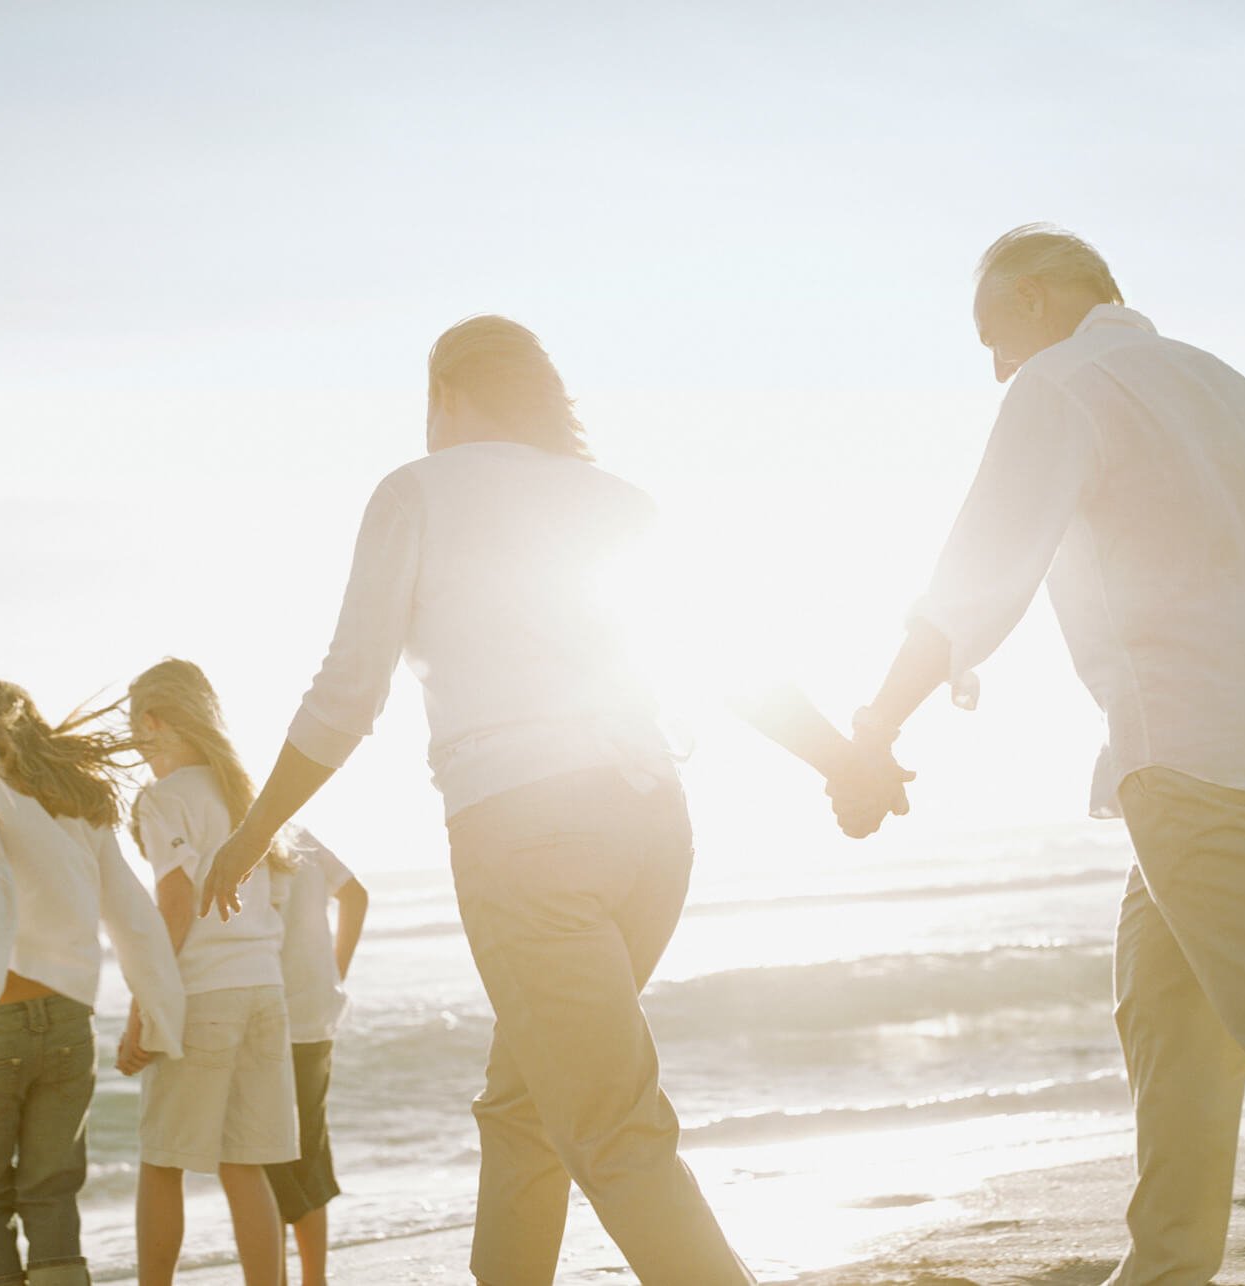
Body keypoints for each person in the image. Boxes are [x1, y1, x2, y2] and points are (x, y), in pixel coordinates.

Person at [196, 315, 906, 1286]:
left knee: (614, 1132)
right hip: (651, 831)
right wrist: (844, 762)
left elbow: (345, 692)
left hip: (526, 834)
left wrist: (253, 830)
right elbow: (729, 666)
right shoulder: (617, 501)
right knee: (525, 1106)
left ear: (444, 393)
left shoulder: (417, 489)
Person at [845, 225, 1245, 1284]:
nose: (995, 367)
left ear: (1036, 296)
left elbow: (977, 574)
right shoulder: (1242, 395)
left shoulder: (1060, 384)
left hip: (1184, 756)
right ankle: (1167, 1267)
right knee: (1166, 1011)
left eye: (991, 336)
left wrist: (876, 725)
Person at [0, 680, 186, 1286]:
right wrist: (160, 1016)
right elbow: (134, 916)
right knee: (53, 1197)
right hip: (67, 1021)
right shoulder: (77, 800)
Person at [122, 658, 299, 1286]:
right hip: (262, 990)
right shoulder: (244, 795)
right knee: (243, 1165)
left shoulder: (161, 799)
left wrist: (143, 1010)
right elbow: (277, 900)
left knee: (161, 1162)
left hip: (204, 993)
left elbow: (175, 907)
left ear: (153, 722)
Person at [265, 831, 368, 1286]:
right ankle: (313, 1280)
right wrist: (334, 971)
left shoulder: (242, 838)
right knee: (308, 1152)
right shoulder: (296, 832)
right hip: (316, 1014)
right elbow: (356, 895)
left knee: (267, 1160)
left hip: (272, 1017)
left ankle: (281, 1278)